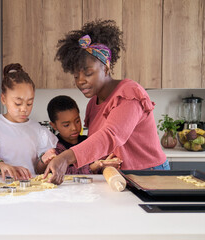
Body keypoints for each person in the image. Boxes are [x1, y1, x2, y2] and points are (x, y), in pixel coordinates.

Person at [44, 19, 169, 185]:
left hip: (148, 174)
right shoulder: (93, 103)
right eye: (76, 76)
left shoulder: (129, 94)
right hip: (118, 177)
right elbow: (99, 147)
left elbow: (110, 136)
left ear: (106, 67)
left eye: (88, 73)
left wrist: (65, 158)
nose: (80, 81)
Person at [0, 63, 58, 176]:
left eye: (29, 103)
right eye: (18, 103)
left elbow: (38, 170)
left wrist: (44, 160)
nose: (24, 109)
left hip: (30, 189)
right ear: (3, 99)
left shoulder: (38, 130)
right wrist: (4, 168)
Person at [40, 95, 122, 175]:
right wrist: (94, 167)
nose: (74, 128)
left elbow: (102, 163)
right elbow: (65, 172)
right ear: (54, 126)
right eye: (66, 125)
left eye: (77, 121)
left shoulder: (88, 141)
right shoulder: (54, 149)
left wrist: (106, 164)